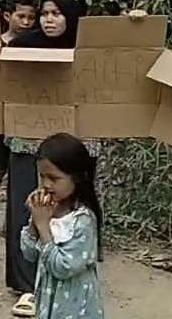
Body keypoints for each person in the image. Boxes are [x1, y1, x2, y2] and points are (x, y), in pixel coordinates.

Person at [5, 0, 81, 318]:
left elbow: (123, 52)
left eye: (56, 13)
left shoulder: (83, 49)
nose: (49, 20)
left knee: (67, 211)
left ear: (70, 17)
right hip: (26, 142)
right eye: (45, 13)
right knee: (27, 207)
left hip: (66, 147)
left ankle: (64, 272)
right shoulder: (23, 46)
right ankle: (28, 286)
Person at [19, 133, 104, 319]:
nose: (46, 184)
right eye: (42, 177)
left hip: (75, 311)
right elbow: (29, 253)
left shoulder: (83, 221)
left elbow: (63, 267)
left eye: (54, 178)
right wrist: (35, 221)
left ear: (77, 177)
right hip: (48, 307)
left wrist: (43, 227)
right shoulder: (47, 209)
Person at [0, 0, 38, 238]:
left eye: (31, 17)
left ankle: (15, 219)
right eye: (21, 16)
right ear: (6, 16)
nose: (26, 22)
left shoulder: (37, 43)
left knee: (21, 167)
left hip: (25, 112)